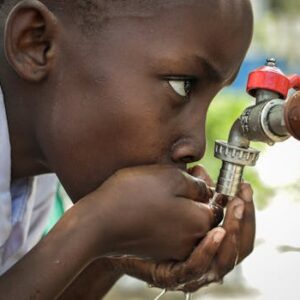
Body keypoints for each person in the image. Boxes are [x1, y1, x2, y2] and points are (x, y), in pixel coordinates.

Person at [0, 0, 255, 299]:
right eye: (181, 85)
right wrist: (93, 227)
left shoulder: (36, 170)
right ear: (37, 43)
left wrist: (110, 254)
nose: (197, 146)